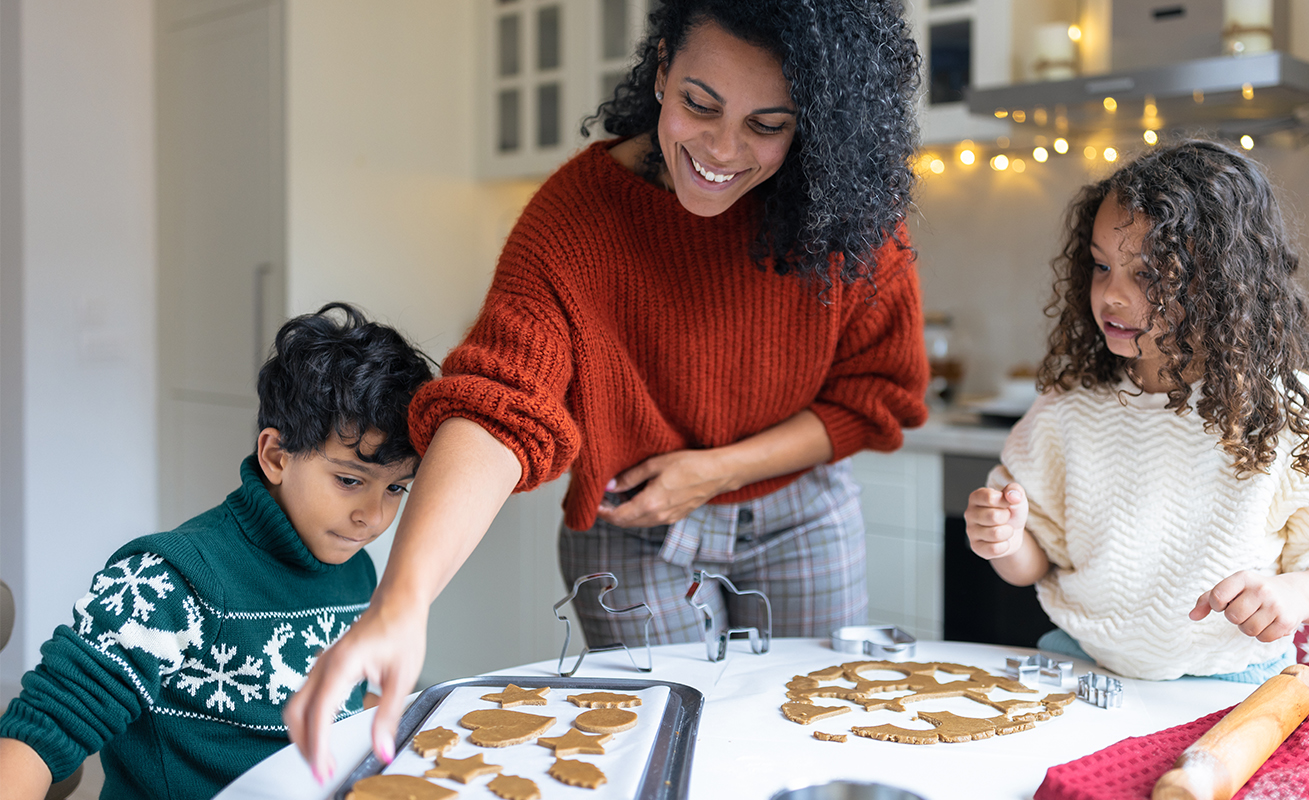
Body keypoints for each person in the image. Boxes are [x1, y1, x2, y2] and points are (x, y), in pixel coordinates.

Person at [284, 0, 928, 781]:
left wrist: (716, 469)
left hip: (804, 515)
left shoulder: (851, 221)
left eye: (768, 124)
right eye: (699, 103)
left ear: (813, 123)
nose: (723, 150)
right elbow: (497, 403)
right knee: (667, 752)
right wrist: (402, 603)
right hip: (633, 527)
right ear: (661, 70)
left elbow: (877, 395)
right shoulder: (575, 219)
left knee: (814, 739)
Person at [965, 140, 1309, 682]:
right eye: (1101, 266)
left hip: (1233, 676)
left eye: (1147, 274)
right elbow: (1038, 561)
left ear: (1221, 282)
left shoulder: (1284, 410)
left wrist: (1298, 592)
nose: (1112, 295)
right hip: (1081, 662)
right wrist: (1005, 541)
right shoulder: (1069, 408)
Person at [0, 303, 434, 800]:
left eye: (396, 489)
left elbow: (354, 704)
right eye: (349, 481)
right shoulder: (167, 581)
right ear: (275, 456)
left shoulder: (356, 571)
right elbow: (37, 739)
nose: (373, 517)